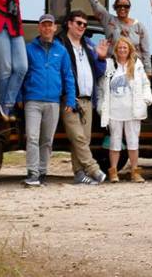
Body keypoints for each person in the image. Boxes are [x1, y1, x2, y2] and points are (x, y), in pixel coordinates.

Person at [19, 14, 75, 187]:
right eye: (43, 25)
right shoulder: (29, 49)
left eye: (50, 25)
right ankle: (32, 173)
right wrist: (19, 97)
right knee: (32, 137)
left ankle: (42, 172)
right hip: (33, 100)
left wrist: (71, 100)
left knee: (47, 140)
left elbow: (68, 76)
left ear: (55, 28)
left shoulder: (61, 50)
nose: (47, 28)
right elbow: (21, 74)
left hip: (53, 102)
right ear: (39, 28)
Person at [56, 10, 108, 185]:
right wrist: (66, 93)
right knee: (77, 137)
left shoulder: (88, 44)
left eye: (84, 25)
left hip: (87, 99)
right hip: (70, 98)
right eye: (79, 23)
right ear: (69, 23)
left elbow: (99, 72)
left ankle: (79, 174)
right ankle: (93, 169)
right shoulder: (60, 43)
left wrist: (101, 58)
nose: (82, 27)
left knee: (84, 140)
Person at [98, 37, 152, 183]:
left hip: (133, 111)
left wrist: (146, 99)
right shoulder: (109, 64)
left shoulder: (136, 64)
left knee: (133, 142)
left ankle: (135, 171)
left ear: (129, 50)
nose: (122, 50)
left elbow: (145, 84)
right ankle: (113, 171)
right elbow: (102, 86)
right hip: (114, 111)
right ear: (116, 50)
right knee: (115, 143)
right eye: (120, 48)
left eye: (125, 48)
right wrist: (102, 106)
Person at [81, 0, 152, 77]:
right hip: (113, 66)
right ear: (115, 8)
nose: (123, 8)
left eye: (126, 6)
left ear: (129, 8)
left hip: (134, 67)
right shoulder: (109, 20)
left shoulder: (139, 26)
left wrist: (148, 71)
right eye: (119, 6)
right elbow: (96, 4)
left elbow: (146, 50)